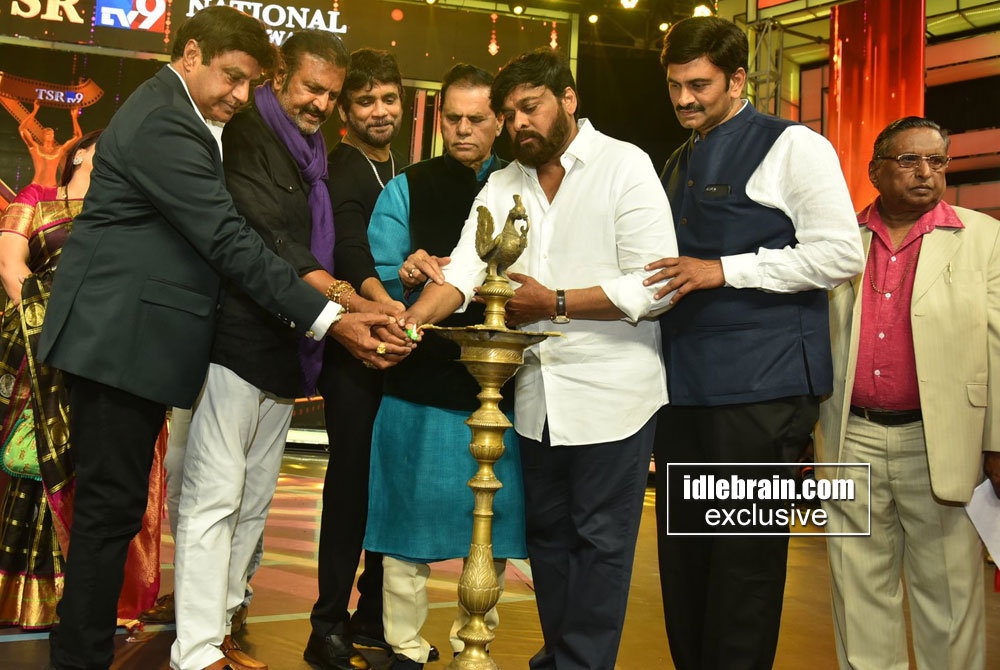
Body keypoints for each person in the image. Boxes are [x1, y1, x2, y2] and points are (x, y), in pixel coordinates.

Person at [38, 8, 406, 670]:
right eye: (231, 77)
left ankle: (89, 651)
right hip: (118, 336)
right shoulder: (167, 121)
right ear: (190, 55)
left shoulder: (187, 116)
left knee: (112, 511)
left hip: (133, 340)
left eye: (247, 83)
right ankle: (83, 657)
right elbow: (228, 239)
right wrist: (332, 316)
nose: (239, 96)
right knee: (109, 512)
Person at [399, 48, 678, 670]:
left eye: (531, 107)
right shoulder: (504, 182)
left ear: (568, 100)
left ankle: (580, 664)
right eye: (509, 113)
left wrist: (553, 303)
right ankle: (562, 658)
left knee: (600, 544)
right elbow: (463, 272)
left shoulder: (624, 165)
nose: (518, 123)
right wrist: (411, 322)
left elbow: (654, 286)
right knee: (547, 541)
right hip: (536, 399)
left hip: (615, 395)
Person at [171, 30, 392, 670]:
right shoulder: (247, 135)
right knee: (215, 497)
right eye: (310, 88)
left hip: (286, 347)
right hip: (233, 342)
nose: (320, 103)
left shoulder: (311, 153)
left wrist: (352, 306)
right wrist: (349, 306)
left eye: (331, 94)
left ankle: (223, 628)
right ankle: (196, 649)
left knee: (252, 503)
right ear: (278, 79)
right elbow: (269, 241)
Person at [649, 16, 864, 670]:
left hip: (763, 392)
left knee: (744, 566)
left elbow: (840, 254)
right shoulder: (677, 160)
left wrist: (725, 269)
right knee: (685, 563)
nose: (684, 99)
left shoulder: (794, 145)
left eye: (699, 85)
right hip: (683, 391)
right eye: (674, 86)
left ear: (738, 79)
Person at [817, 116, 1000, 670]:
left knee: (949, 597)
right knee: (859, 593)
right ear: (875, 171)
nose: (925, 172)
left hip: (943, 441)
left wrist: (996, 443)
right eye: (909, 160)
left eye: (937, 161)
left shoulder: (984, 238)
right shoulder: (840, 241)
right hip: (850, 439)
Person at [363, 63, 523, 670]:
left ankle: (472, 640)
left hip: (503, 387)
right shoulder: (408, 186)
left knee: (493, 526)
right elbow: (378, 275)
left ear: (499, 121)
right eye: (452, 118)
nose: (462, 129)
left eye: (476, 119)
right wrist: (405, 274)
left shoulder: (524, 184)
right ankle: (404, 644)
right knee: (404, 520)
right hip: (419, 380)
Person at [0, 132, 165, 629]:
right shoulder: (37, 199)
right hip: (33, 348)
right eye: (105, 144)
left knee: (88, 469)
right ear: (80, 154)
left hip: (98, 353)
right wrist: (51, 325)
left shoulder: (124, 212)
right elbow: (9, 265)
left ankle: (76, 599)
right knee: (26, 465)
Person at [308, 48, 407, 669]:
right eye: (366, 101)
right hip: (353, 348)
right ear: (344, 110)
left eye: (389, 99)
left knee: (391, 483)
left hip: (400, 344)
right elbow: (347, 248)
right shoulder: (336, 168)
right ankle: (326, 625)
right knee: (350, 486)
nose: (380, 111)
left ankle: (373, 615)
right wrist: (377, 304)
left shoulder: (404, 170)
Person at [18, 101, 83, 187]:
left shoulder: (59, 150)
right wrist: (35, 110)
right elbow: (22, 129)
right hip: (36, 186)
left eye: (52, 133)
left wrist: (74, 118)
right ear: (43, 136)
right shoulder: (35, 148)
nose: (50, 134)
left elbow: (78, 136)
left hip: (51, 187)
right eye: (47, 133)